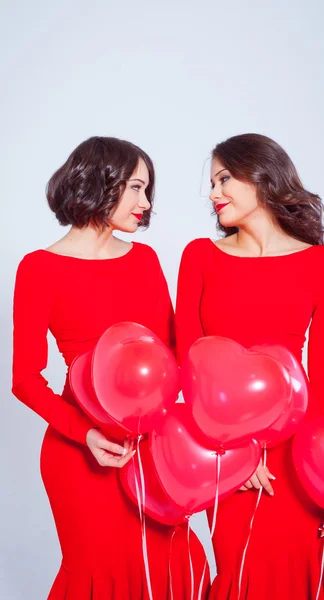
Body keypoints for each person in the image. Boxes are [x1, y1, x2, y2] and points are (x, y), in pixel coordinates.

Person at [12, 136, 209, 599]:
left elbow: (177, 353)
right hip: (80, 453)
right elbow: (24, 379)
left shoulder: (144, 260)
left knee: (171, 564)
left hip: (151, 448)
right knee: (98, 572)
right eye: (137, 188)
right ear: (103, 182)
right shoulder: (38, 268)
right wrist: (86, 434)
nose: (146, 202)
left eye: (147, 190)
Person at [176, 133, 324, 599]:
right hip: (225, 453)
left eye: (224, 179)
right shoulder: (200, 257)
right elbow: (187, 363)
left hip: (299, 456)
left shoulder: (320, 264)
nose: (213, 193)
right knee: (242, 572)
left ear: (262, 177)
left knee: (303, 572)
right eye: (212, 182)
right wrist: (234, 444)